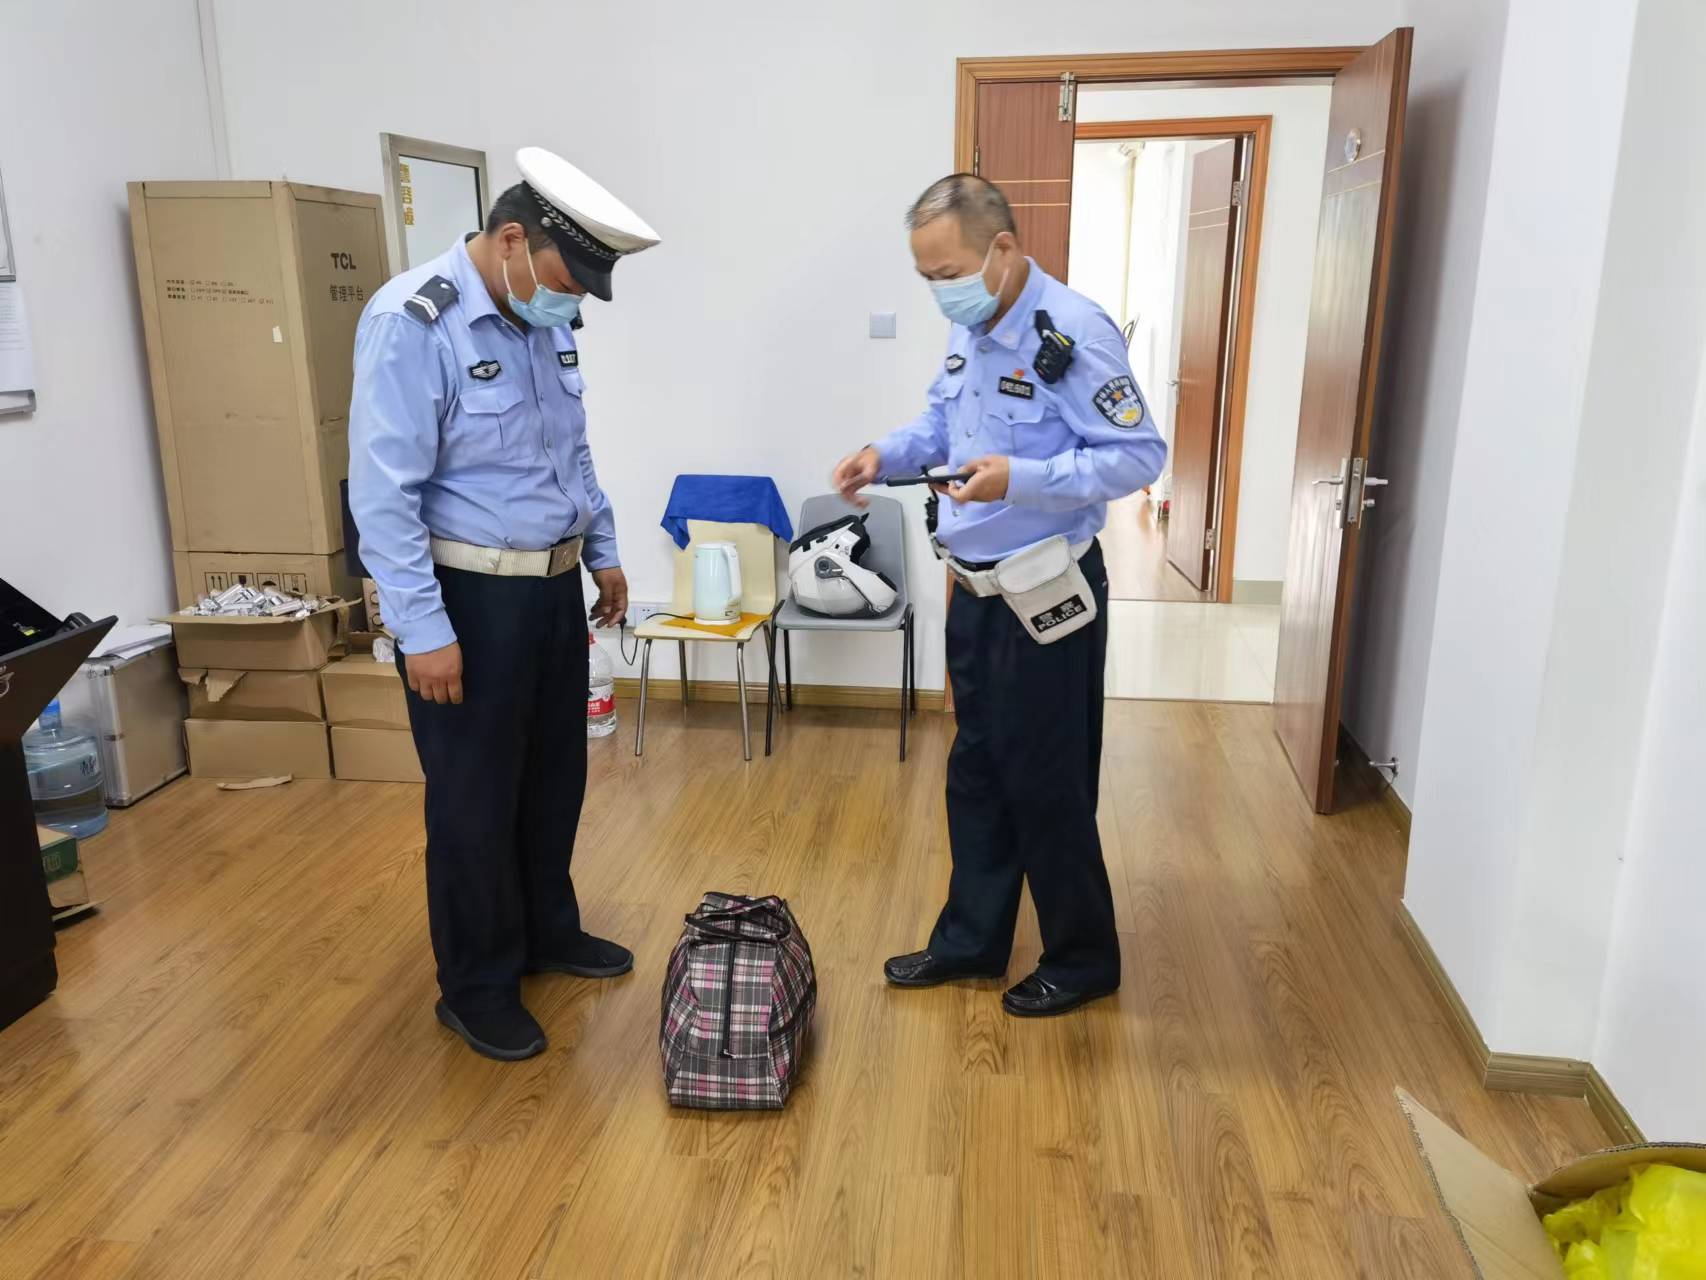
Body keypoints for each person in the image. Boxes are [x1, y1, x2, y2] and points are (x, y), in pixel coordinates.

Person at [348, 148, 659, 1060]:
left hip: (552, 589)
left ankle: (545, 934)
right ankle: (477, 986)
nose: (571, 302)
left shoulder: (541, 321)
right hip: (467, 599)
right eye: (565, 283)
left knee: (554, 779)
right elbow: (383, 497)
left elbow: (573, 453)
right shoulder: (414, 323)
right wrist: (421, 630)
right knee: (474, 800)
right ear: (513, 239)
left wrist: (602, 550)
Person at [832, 174, 1166, 1017]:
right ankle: (972, 941)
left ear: (1003, 249)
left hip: (1045, 589)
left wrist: (1022, 476)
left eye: (948, 273)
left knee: (1046, 779)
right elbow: (941, 428)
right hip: (975, 590)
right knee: (977, 770)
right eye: (927, 278)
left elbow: (1137, 456)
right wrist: (884, 455)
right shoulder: (972, 329)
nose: (940, 292)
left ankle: (1082, 959)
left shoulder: (1074, 330)